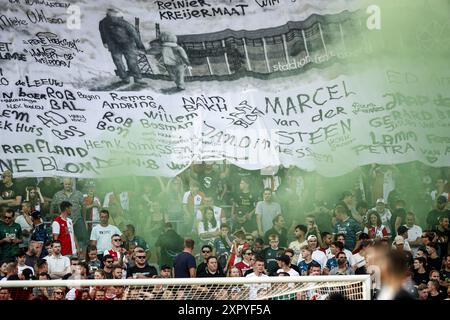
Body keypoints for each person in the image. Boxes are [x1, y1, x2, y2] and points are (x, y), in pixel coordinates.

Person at [99, 8, 146, 85]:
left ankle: (137, 78)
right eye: (111, 16)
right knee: (119, 63)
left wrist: (140, 46)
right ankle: (125, 79)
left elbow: (135, 34)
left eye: (114, 17)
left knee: (132, 62)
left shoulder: (124, 23)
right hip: (114, 46)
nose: (113, 19)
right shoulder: (103, 23)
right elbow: (102, 33)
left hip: (128, 45)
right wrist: (104, 42)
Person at [50, 178, 86, 248]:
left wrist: (83, 219)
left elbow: (84, 206)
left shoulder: (78, 194)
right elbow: (52, 206)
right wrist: (53, 217)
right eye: (66, 184)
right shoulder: (57, 195)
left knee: (81, 239)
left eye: (69, 184)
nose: (67, 186)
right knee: (64, 239)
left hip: (77, 220)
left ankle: (80, 255)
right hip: (63, 221)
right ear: (63, 184)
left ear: (72, 184)